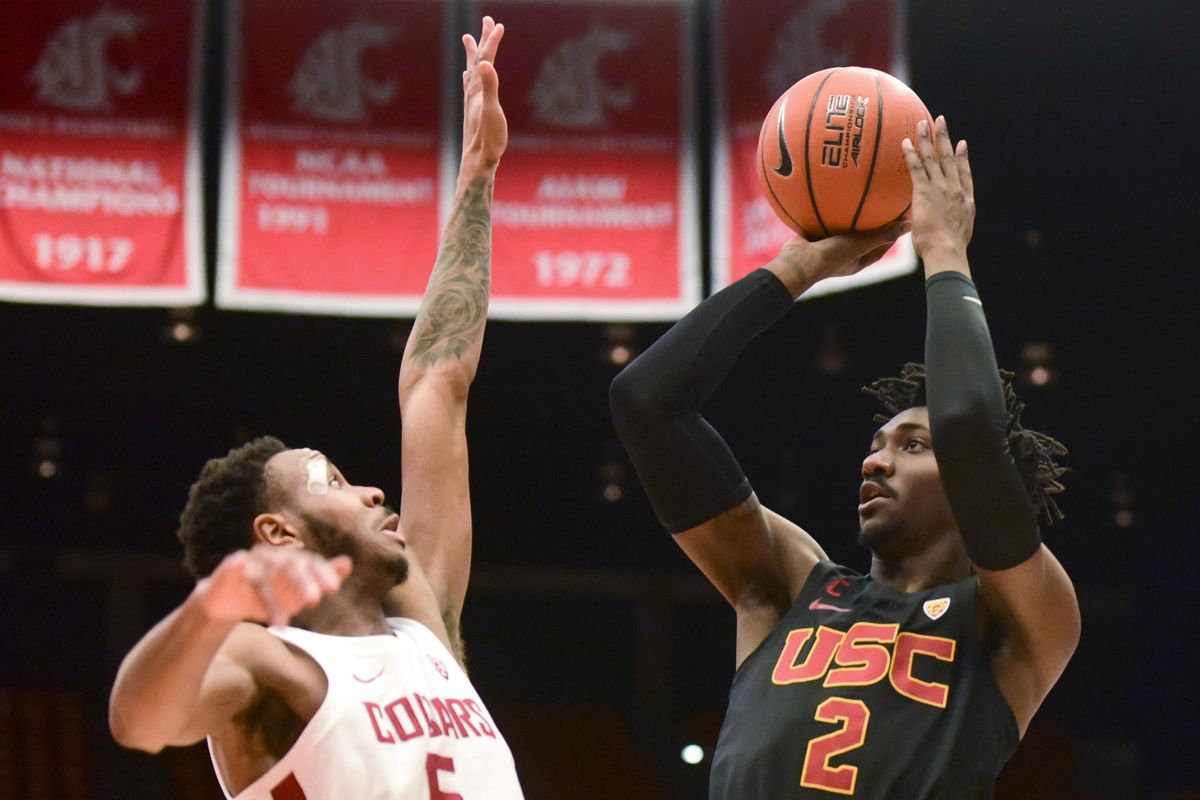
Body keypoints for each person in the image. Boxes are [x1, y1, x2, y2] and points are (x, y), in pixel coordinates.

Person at [108, 18, 524, 800]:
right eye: (328, 480)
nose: (371, 489)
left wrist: (481, 168)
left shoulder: (423, 627)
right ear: (278, 531)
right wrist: (209, 610)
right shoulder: (268, 665)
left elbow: (437, 381)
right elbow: (139, 723)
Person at [610, 116, 1079, 798]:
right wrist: (803, 265)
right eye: (875, 445)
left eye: (912, 445)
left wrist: (944, 251)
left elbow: (968, 426)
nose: (874, 462)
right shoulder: (786, 586)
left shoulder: (1017, 621)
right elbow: (645, 401)